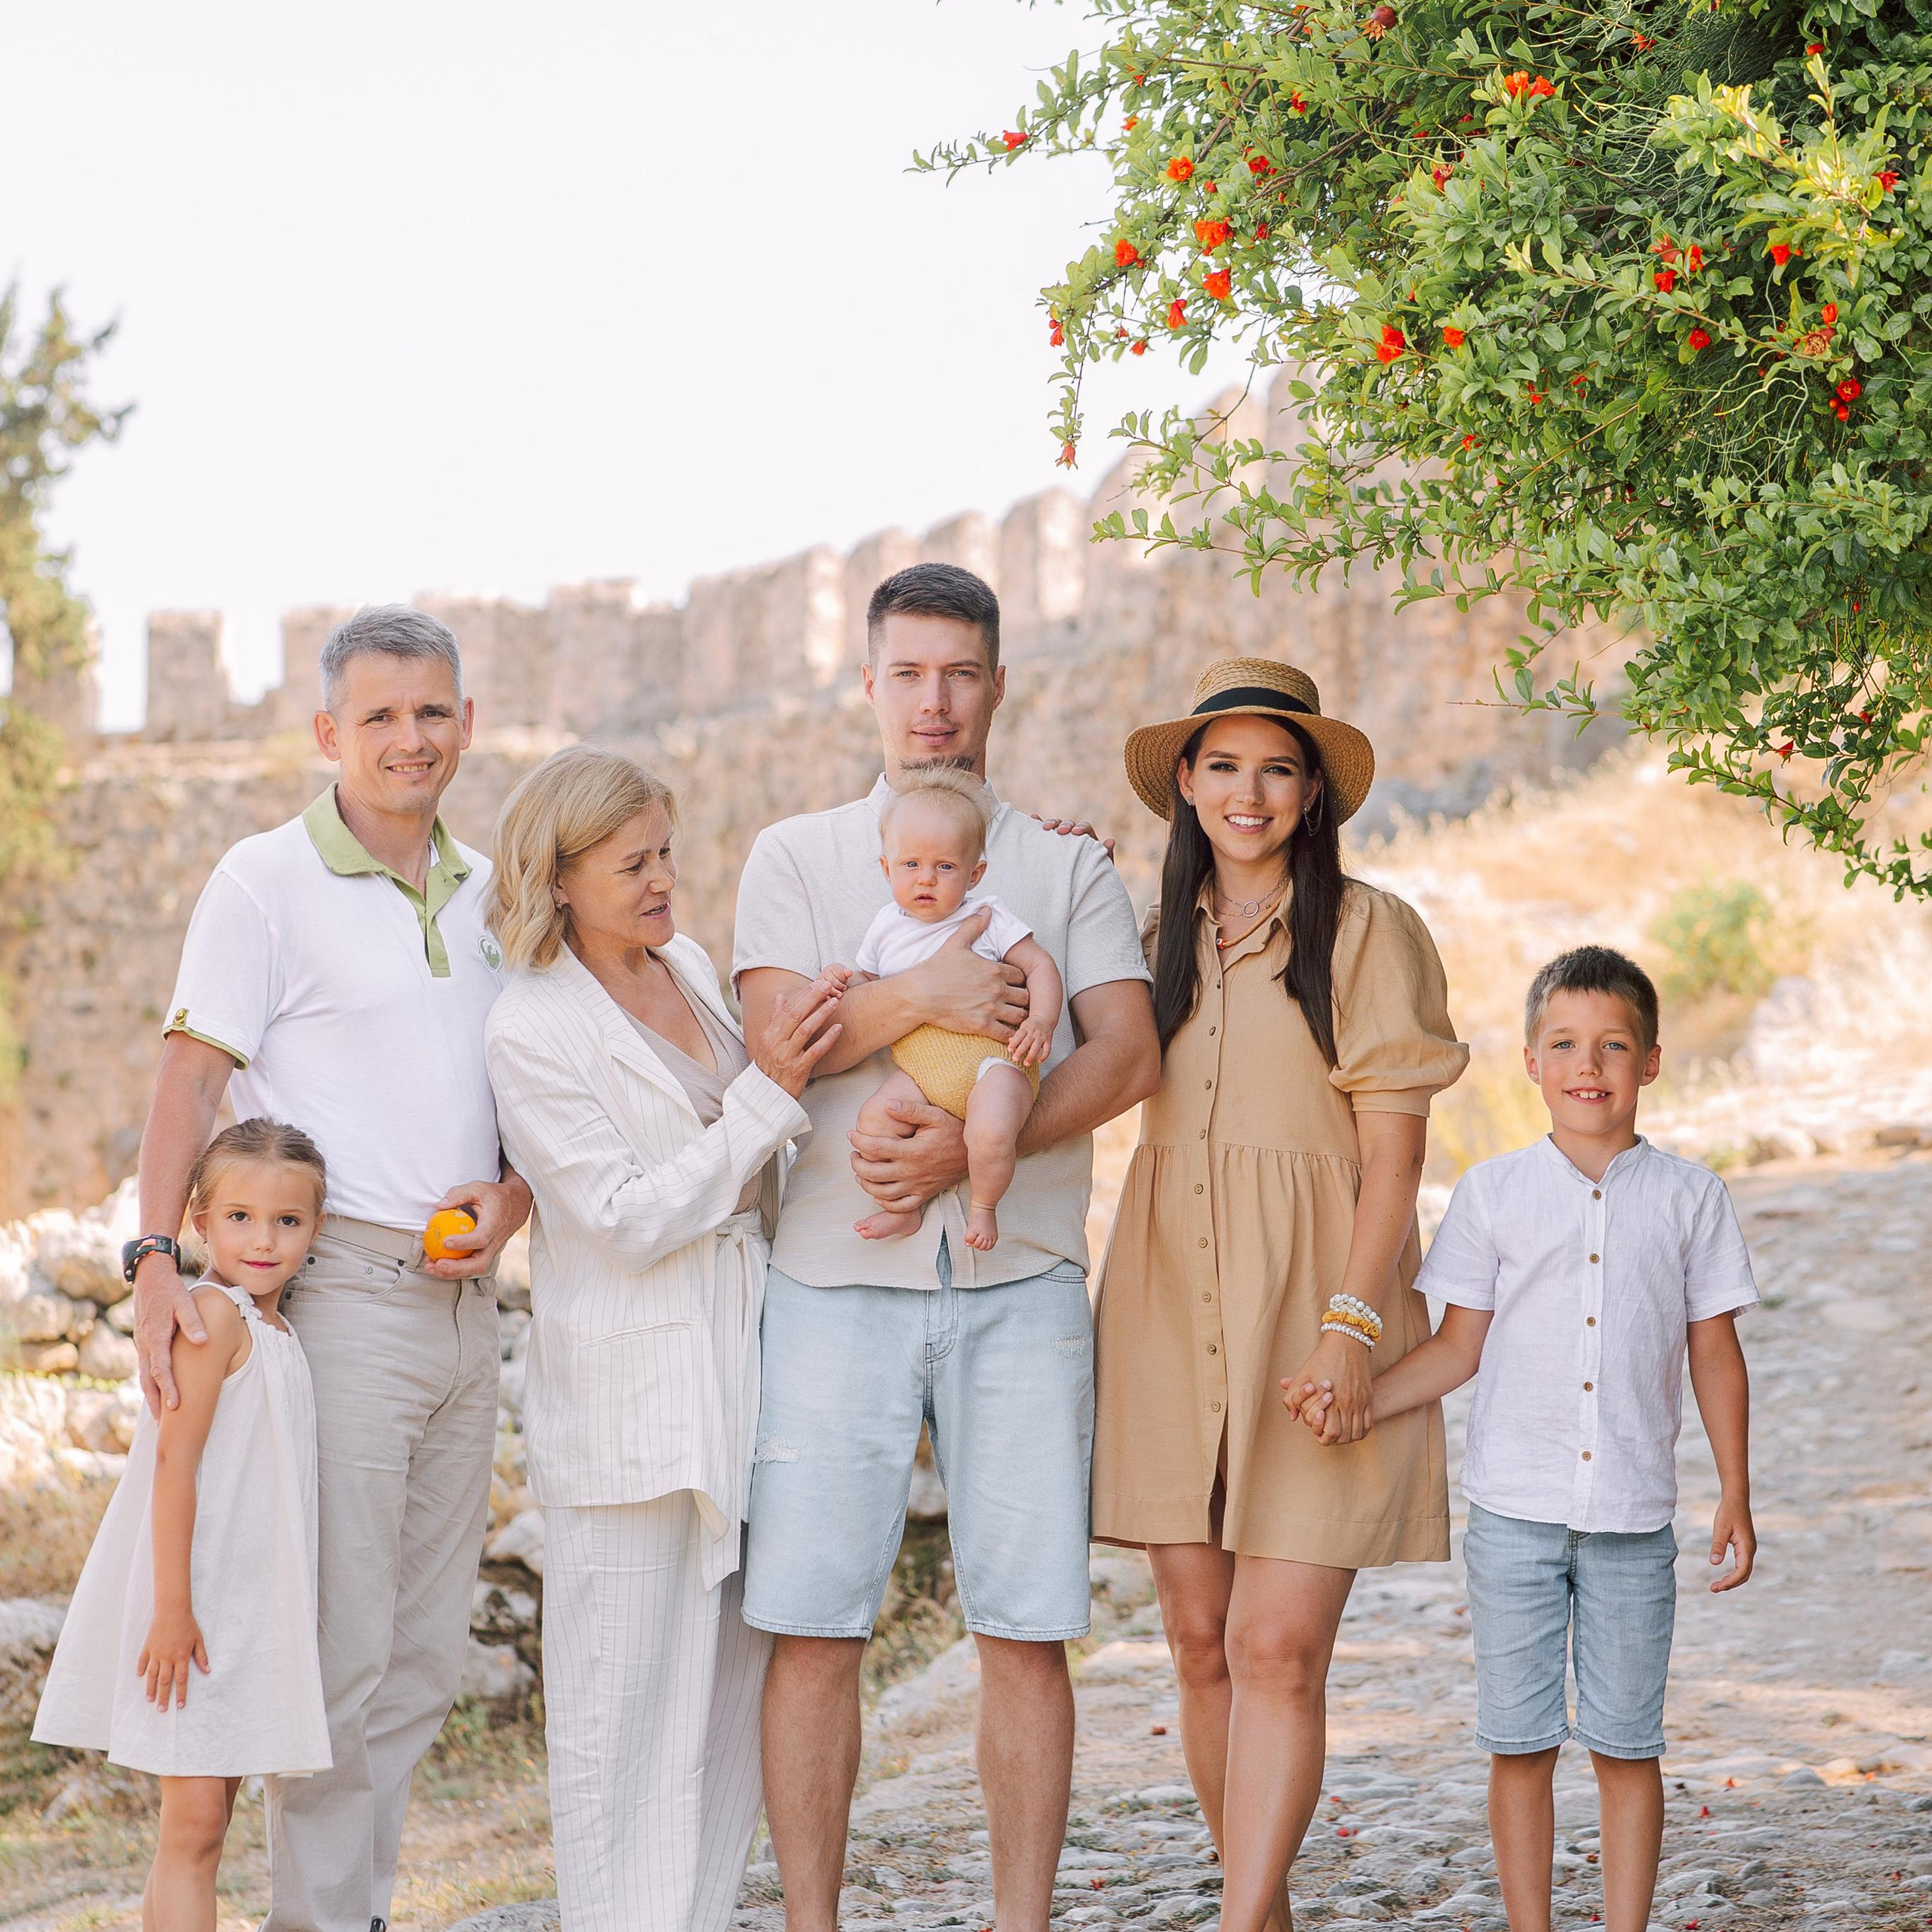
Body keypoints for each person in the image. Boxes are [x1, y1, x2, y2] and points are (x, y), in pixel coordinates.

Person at [733, 561, 1160, 1932]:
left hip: (1021, 1281)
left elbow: (1131, 1052)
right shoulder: (795, 858)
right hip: (830, 1284)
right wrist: (921, 990)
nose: (935, 701)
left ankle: (1021, 1923)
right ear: (868, 683)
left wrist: (989, 1143)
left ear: (997, 685)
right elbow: (779, 1052)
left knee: (1027, 1631)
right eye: (908, 672)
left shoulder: (1065, 859)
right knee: (811, 1626)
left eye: (960, 672)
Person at [126, 605, 530, 1932]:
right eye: (379, 716)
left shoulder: (495, 892)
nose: (410, 740)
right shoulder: (262, 881)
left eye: (431, 713)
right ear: (327, 733)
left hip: (469, 1306)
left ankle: (355, 1913)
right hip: (345, 1296)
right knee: (345, 1659)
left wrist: (516, 1194)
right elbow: (188, 1078)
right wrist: (152, 1260)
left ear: (467, 724)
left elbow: (518, 1090)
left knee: (421, 1661)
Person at [1091, 657, 1469, 1932]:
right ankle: (1268, 1907)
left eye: (1278, 768)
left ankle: (1242, 1922)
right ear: (1186, 786)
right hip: (1161, 1311)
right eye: (1225, 765)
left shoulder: (1369, 932)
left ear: (1312, 793)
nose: (1250, 792)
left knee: (1275, 1648)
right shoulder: (1147, 945)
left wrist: (1354, 1326)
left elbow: (1395, 1156)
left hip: (1317, 1312)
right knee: (1200, 1644)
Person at [1301, 946, 1758, 1932]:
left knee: (1629, 1745)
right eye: (1564, 1044)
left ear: (1652, 1062)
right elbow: (1459, 1348)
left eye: (1612, 1045)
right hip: (1513, 1518)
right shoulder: (1494, 1195)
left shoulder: (1690, 1197)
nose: (1588, 1063)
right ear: (1529, 1062)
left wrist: (1734, 1491)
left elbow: (1715, 1352)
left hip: (1634, 1521)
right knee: (1518, 1744)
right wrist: (1362, 1401)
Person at [483, 746, 845, 1932]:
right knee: (621, 1723)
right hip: (632, 1406)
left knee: (722, 1719)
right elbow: (624, 1218)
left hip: (744, 1377)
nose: (662, 881)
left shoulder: (686, 967)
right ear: (561, 874)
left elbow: (763, 1162)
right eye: (632, 862)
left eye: (666, 853)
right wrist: (766, 1096)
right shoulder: (530, 1029)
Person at [37, 1120, 331, 1932]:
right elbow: (175, 1466)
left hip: (243, 1610)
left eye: (287, 1220)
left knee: (203, 1827)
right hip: (191, 1606)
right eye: (239, 1217)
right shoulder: (213, 1315)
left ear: (317, 1226)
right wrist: (172, 1610)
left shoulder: (277, 1330)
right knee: (195, 1828)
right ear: (199, 1222)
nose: (263, 1239)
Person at [845, 764, 1063, 1250]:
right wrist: (842, 984)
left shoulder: (986, 917)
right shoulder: (886, 926)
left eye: (945, 867)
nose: (927, 879)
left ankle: (984, 1209)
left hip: (994, 1062)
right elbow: (868, 984)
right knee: (875, 1120)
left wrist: (1043, 1020)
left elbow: (1040, 964)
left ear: (974, 873)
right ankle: (902, 1210)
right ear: (887, 868)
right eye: (911, 865)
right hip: (924, 1070)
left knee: (989, 1134)